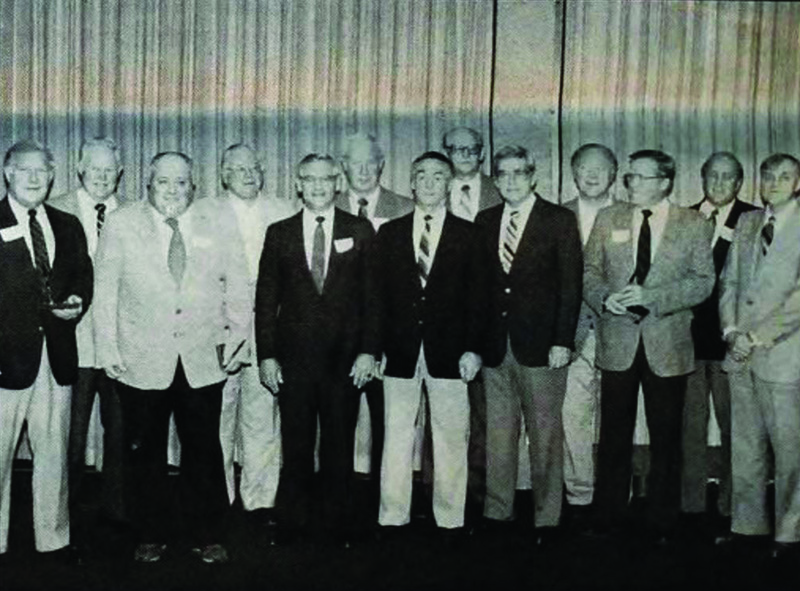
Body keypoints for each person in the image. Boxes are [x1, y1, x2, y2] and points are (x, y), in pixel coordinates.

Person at [94, 151, 251, 564]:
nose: (173, 190)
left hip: (203, 357)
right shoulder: (121, 222)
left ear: (193, 186)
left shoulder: (216, 221)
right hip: (140, 358)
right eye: (164, 181)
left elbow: (236, 282)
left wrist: (239, 340)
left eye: (181, 182)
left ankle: (208, 533)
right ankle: (149, 533)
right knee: (143, 453)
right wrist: (107, 348)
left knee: (204, 449)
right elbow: (105, 290)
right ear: (148, 184)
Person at [584, 149, 714, 542]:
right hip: (618, 340)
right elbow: (589, 271)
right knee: (613, 436)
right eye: (630, 178)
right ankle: (608, 518)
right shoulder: (609, 218)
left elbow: (703, 281)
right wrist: (605, 297)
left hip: (667, 344)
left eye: (641, 178)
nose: (632, 184)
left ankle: (662, 522)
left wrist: (652, 297)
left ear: (664, 182)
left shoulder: (692, 224)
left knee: (666, 436)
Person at [256, 153, 376, 547]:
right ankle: (292, 525)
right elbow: (266, 297)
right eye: (310, 179)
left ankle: (337, 526)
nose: (319, 186)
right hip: (294, 362)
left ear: (338, 182)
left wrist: (367, 352)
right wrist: (267, 355)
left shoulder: (360, 229)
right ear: (298, 183)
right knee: (296, 446)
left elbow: (372, 297)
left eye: (327, 179)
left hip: (346, 361)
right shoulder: (279, 233)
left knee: (339, 448)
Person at [374, 151, 487, 538]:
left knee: (452, 436)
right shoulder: (389, 233)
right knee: (396, 435)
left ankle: (450, 518)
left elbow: (479, 298)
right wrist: (375, 348)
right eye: (421, 175)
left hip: (451, 354)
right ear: (411, 181)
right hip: (399, 352)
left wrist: (474, 349)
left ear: (449, 184)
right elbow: (377, 299)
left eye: (439, 176)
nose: (429, 183)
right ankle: (392, 516)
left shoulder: (469, 235)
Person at [476, 145, 582, 544]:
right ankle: (497, 512)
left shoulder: (558, 219)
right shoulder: (485, 221)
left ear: (533, 175)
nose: (511, 180)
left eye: (519, 172)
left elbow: (571, 286)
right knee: (498, 435)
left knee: (545, 434)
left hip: (541, 348)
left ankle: (547, 518)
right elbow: (481, 289)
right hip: (495, 348)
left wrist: (562, 340)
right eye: (503, 173)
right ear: (496, 179)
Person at [0, 140, 92, 562]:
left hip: (55, 359)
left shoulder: (68, 224)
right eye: (25, 170)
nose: (34, 178)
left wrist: (76, 302)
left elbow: (82, 278)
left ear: (53, 175)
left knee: (54, 453)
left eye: (42, 171)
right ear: (8, 173)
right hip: (4, 364)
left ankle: (53, 540)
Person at [719, 153, 800, 561]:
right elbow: (729, 281)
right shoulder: (749, 222)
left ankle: (790, 533)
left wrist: (755, 335)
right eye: (768, 176)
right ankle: (747, 526)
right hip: (741, 354)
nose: (775, 182)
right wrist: (731, 332)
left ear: (798, 182)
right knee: (746, 446)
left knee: (790, 450)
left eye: (785, 176)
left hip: (784, 355)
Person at [216, 144, 298, 525]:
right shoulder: (204, 212)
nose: (248, 174)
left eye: (254, 167)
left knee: (262, 414)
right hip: (218, 332)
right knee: (217, 416)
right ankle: (219, 497)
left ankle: (260, 500)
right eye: (238, 168)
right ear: (224, 174)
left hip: (269, 330)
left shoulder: (284, 211)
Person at [49, 138, 126, 536]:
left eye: (109, 169)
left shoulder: (133, 214)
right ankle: (67, 519)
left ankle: (116, 514)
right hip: (72, 344)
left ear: (120, 172)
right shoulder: (54, 209)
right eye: (93, 168)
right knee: (70, 438)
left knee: (121, 435)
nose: (101, 176)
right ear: (79, 169)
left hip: (120, 346)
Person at [682, 152, 759, 534]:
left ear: (740, 182)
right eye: (712, 174)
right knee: (689, 429)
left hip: (733, 345)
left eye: (728, 176)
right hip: (687, 344)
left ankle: (732, 506)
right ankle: (692, 507)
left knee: (736, 430)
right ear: (702, 177)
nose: (719, 182)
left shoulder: (755, 219)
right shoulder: (681, 217)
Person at [336, 132, 414, 482]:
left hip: (391, 335)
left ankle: (385, 503)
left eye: (371, 162)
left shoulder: (406, 208)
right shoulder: (325, 206)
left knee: (391, 425)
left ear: (382, 166)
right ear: (343, 167)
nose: (364, 170)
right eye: (356, 162)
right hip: (338, 337)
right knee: (337, 425)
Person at [442, 125, 502, 511]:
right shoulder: (428, 189)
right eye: (455, 149)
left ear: (481, 154)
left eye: (471, 149)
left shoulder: (504, 192)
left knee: (484, 413)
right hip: (439, 321)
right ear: (445, 153)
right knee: (440, 414)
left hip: (486, 317)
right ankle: (437, 489)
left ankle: (477, 492)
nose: (463, 154)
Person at [561, 143, 618, 517]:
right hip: (573, 334)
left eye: (600, 169)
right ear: (573, 173)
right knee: (573, 415)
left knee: (618, 416)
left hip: (622, 333)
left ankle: (615, 495)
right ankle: (580, 495)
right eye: (584, 168)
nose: (592, 175)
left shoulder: (630, 216)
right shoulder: (555, 216)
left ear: (613, 175)